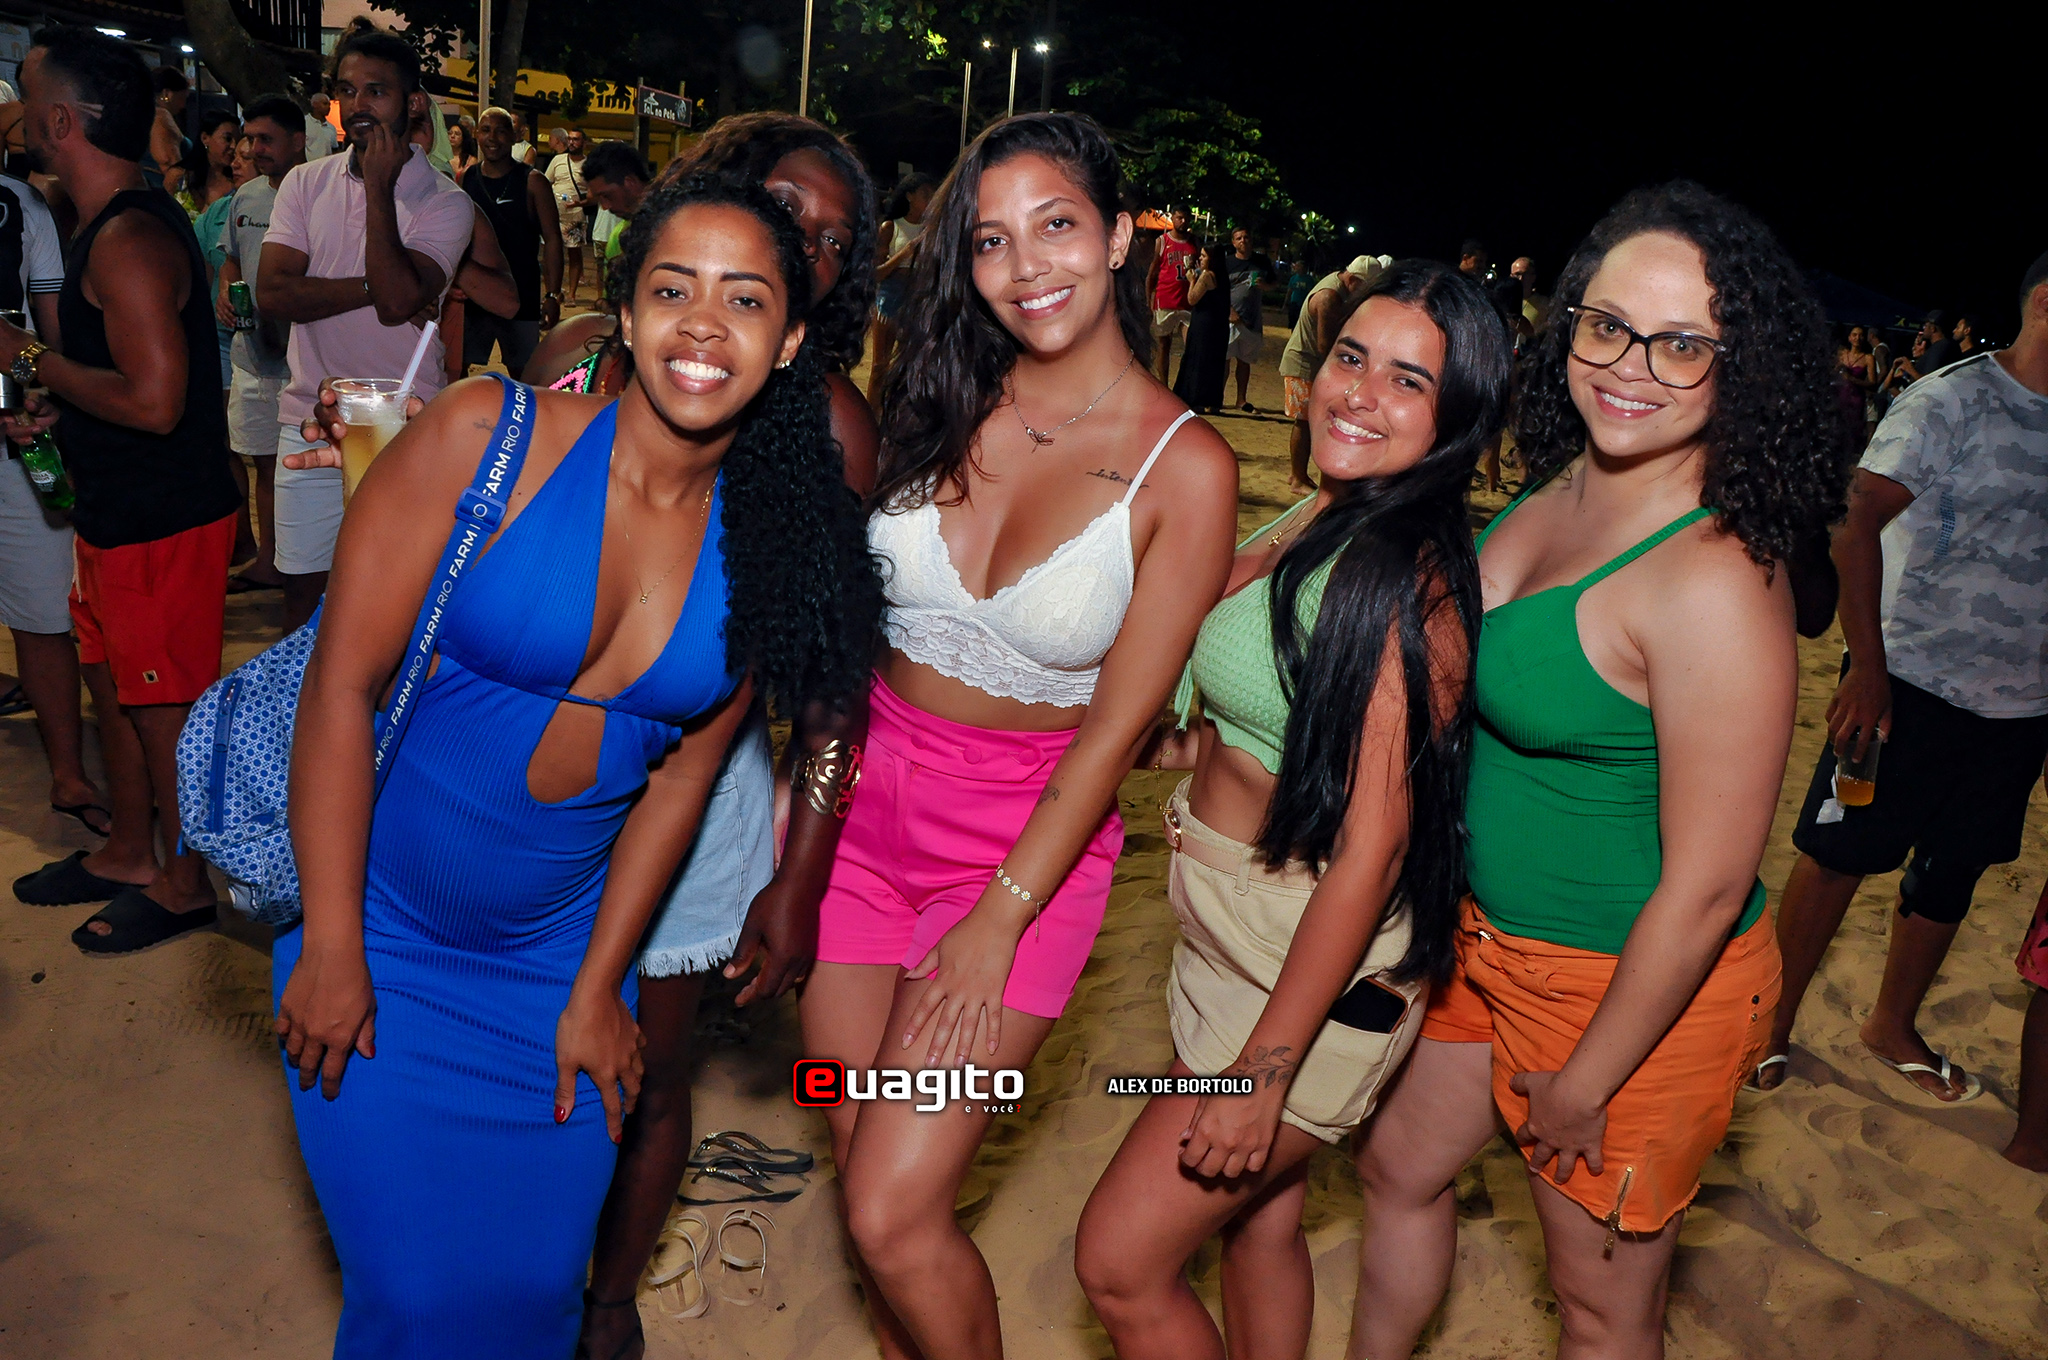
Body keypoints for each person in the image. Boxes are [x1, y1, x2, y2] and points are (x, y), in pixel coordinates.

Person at [272, 173, 879, 1359]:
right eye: (673, 289)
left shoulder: (766, 547)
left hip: (551, 973)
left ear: (787, 342)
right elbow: (338, 690)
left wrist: (600, 986)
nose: (702, 324)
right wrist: (334, 942)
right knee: (416, 1305)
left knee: (532, 1300)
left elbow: (681, 779)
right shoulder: (484, 436)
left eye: (744, 299)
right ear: (627, 310)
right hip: (384, 941)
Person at [1349, 181, 1848, 1360]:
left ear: (1740, 368)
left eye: (1681, 344)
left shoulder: (1714, 579)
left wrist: (1587, 1079)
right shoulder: (1560, 483)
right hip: (1482, 944)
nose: (1631, 367)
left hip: (1625, 995)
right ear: (1567, 321)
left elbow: (1708, 888)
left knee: (1600, 1311)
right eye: (1608, 326)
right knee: (1397, 1169)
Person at [805, 110, 1237, 1360]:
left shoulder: (1184, 468)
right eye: (990, 239)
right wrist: (808, 798)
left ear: (1117, 237)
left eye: (1055, 225)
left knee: (892, 1210)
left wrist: (998, 917)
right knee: (854, 1141)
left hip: (1017, 859)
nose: (1025, 264)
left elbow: (1117, 731)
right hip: (854, 833)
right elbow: (843, 629)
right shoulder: (931, 388)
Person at [1076, 259, 1509, 1357]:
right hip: (1231, 925)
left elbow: (1372, 852)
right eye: (1351, 357)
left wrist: (1263, 1075)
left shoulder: (1402, 583)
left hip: (1308, 958)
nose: (1358, 393)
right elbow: (1261, 730)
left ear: (1456, 419)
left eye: (1407, 380)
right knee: (1259, 1222)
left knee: (1119, 1264)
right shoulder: (1323, 511)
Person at [1759, 249, 2048, 1103]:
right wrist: (1868, 671)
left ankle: (1890, 1024)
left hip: (2020, 708)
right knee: (1838, 853)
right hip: (1906, 684)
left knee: (1954, 871)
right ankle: (1767, 1025)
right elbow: (1855, 522)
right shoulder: (1955, 398)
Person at [2, 26, 242, 955]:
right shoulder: (104, 223)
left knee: (163, 710)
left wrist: (30, 359)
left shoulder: (129, 239)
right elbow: (124, 384)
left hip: (160, 523)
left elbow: (154, 401)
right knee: (118, 693)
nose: (16, 113)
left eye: (26, 96)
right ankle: (131, 853)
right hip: (116, 518)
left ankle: (184, 886)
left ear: (63, 121)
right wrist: (58, 409)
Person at [257, 27, 474, 633]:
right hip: (311, 416)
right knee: (304, 602)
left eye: (376, 91)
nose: (358, 105)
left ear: (412, 103)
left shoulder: (445, 202)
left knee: (395, 607)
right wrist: (375, 286)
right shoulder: (305, 183)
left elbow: (400, 301)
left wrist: (379, 188)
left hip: (405, 424)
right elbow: (274, 293)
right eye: (347, 90)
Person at [0, 140, 105, 837]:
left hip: (18, 435)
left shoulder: (21, 205)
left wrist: (46, 394)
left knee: (44, 611)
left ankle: (69, 773)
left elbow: (50, 332)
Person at [215, 95, 305, 595]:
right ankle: (269, 560)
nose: (253, 149)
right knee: (262, 462)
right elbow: (231, 258)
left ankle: (308, 567)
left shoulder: (320, 193)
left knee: (304, 470)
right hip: (251, 357)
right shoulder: (246, 196)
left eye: (266, 139)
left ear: (298, 140)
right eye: (250, 139)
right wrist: (227, 288)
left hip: (305, 361)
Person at [460, 105, 561, 375]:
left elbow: (552, 239)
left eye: (501, 131)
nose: (492, 138)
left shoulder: (533, 181)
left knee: (524, 373)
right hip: (476, 292)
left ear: (515, 136)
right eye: (485, 130)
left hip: (521, 291)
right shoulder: (467, 178)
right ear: (477, 135)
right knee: (458, 369)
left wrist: (552, 294)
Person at [1278, 255, 1381, 495]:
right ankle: (1298, 477)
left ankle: (1300, 474)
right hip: (1304, 363)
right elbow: (1326, 344)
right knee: (1304, 421)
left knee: (1308, 421)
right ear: (1353, 280)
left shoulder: (1338, 287)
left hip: (1312, 363)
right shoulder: (1329, 297)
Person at [864, 170, 935, 404]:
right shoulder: (891, 227)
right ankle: (871, 415)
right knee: (880, 366)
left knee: (909, 366)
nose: (930, 199)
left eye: (932, 194)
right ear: (909, 196)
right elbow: (876, 273)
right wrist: (905, 253)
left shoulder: (931, 231)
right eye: (924, 194)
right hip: (890, 297)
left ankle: (897, 416)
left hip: (917, 298)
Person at [1171, 241, 1231, 413]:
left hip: (1204, 324)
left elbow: (1192, 298)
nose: (1200, 259)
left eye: (1204, 256)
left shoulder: (1207, 276)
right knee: (1214, 362)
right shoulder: (1223, 277)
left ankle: (1195, 398)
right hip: (1219, 324)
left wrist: (1191, 280)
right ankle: (1212, 401)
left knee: (1198, 359)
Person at [581, 140, 650, 267]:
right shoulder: (618, 236)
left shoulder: (672, 225)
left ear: (630, 182)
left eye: (607, 196)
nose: (605, 206)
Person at [1147, 205, 1197, 382]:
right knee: (1164, 345)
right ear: (1173, 218)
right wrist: (1148, 299)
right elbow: (1152, 273)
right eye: (1179, 218)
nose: (1183, 222)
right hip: (1165, 299)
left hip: (1188, 301)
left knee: (1192, 345)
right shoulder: (1162, 241)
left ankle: (1186, 384)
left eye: (1186, 218)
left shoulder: (1195, 242)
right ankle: (1163, 384)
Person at [1225, 226, 1270, 412]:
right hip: (1229, 320)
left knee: (1245, 360)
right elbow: (1218, 290)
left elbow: (1274, 282)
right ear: (1233, 242)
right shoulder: (1227, 263)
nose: (1243, 241)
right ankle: (1217, 398)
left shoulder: (1261, 262)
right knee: (1224, 360)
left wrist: (1266, 286)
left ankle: (1241, 400)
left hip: (1251, 320)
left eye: (1246, 237)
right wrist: (1229, 311)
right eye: (1238, 238)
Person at [544, 125, 591, 302]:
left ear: (583, 143)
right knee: (551, 255)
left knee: (574, 254)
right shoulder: (557, 160)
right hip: (553, 216)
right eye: (570, 139)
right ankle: (551, 293)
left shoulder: (589, 165)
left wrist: (580, 203)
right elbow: (546, 182)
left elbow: (593, 194)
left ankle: (571, 294)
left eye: (576, 139)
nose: (571, 142)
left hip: (575, 216)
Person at [143, 65, 189, 194]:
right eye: (182, 98)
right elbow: (171, 168)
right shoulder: (160, 117)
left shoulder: (146, 116)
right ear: (167, 94)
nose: (183, 105)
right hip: (161, 194)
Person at [303, 90, 338, 160]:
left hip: (326, 165)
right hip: (308, 164)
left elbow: (335, 149)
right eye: (325, 104)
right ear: (314, 104)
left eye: (329, 104)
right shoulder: (304, 123)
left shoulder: (331, 127)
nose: (328, 107)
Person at [446, 115, 477, 179]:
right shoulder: (441, 157)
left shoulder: (471, 160)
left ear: (463, 138)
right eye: (450, 133)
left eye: (457, 134)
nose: (452, 136)